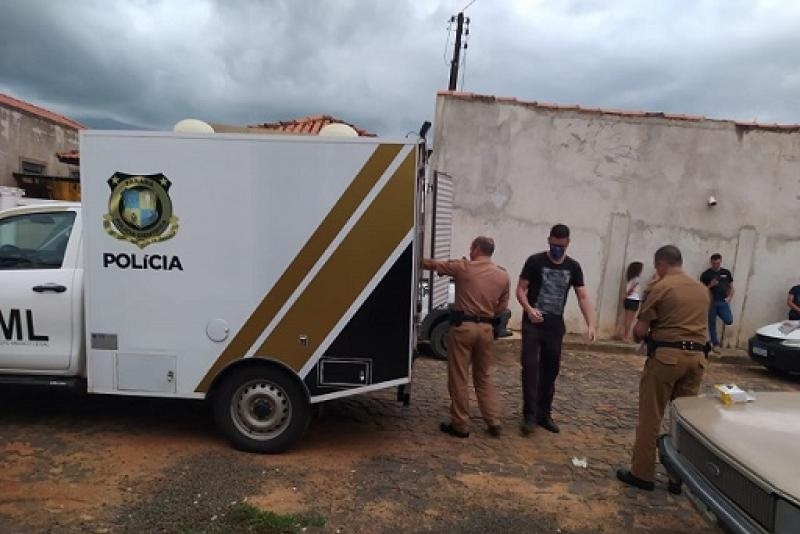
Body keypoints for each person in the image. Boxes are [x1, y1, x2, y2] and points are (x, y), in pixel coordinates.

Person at [616, 245, 710, 493]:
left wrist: (640, 337)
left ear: (660, 265)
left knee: (651, 416)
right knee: (684, 421)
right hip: (697, 359)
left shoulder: (660, 288)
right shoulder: (701, 290)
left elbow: (639, 331)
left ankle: (642, 474)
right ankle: (677, 478)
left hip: (667, 358)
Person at [422, 236, 510, 439]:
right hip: (487, 329)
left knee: (459, 376)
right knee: (484, 376)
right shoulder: (502, 276)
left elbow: (434, 265)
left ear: (476, 248)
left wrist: (415, 257)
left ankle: (460, 424)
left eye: (472, 248)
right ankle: (493, 420)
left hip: (463, 328)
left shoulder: (464, 267)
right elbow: (501, 307)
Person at [516, 223, 596, 436]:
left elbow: (583, 296)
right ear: (548, 240)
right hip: (533, 323)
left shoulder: (573, 267)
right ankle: (529, 415)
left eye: (561, 245)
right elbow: (521, 289)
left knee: (550, 370)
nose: (557, 249)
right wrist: (529, 309)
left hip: (554, 326)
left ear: (568, 243)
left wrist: (591, 324)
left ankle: (544, 413)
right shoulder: (535, 261)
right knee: (531, 368)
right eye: (554, 244)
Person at [700, 253, 734, 354]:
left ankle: (718, 311)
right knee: (712, 323)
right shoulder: (706, 274)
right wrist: (710, 285)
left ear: (721, 262)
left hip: (723, 301)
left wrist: (730, 298)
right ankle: (715, 344)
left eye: (718, 263)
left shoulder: (726, 273)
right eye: (714, 263)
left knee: (729, 320)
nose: (716, 265)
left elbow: (731, 287)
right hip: (711, 302)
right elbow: (701, 290)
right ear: (711, 262)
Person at [616, 261, 643, 342]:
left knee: (627, 319)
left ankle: (624, 335)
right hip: (633, 299)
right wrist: (627, 294)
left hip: (629, 300)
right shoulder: (636, 279)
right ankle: (626, 336)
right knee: (630, 320)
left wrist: (625, 295)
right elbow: (631, 289)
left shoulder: (630, 278)